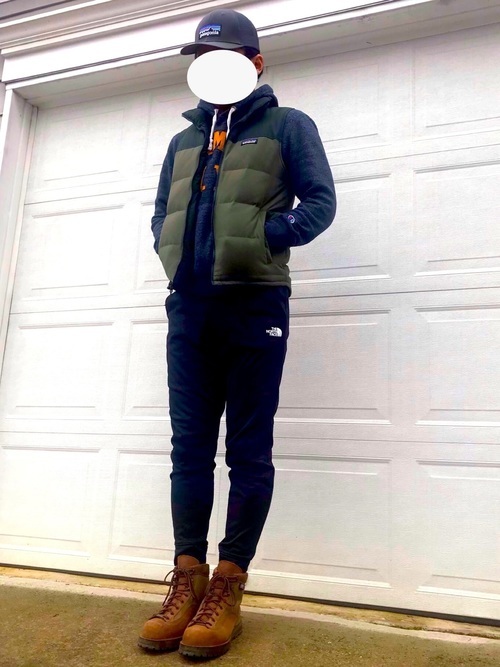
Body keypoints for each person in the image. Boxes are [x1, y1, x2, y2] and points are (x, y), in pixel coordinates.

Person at [138, 8, 336, 659]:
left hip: (255, 305)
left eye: (221, 56)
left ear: (254, 63)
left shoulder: (287, 125)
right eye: (201, 58)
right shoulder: (183, 140)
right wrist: (171, 255)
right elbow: (161, 213)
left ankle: (228, 584)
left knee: (248, 450)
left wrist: (262, 237)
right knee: (189, 449)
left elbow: (320, 203)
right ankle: (186, 577)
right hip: (189, 310)